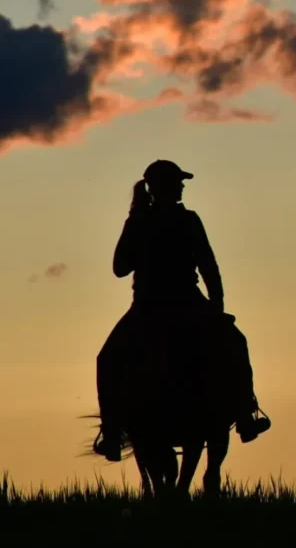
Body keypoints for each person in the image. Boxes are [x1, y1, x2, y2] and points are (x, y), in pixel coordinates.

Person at [93, 160, 270, 462]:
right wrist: (217, 310)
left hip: (155, 306)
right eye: (177, 182)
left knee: (108, 358)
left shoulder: (166, 220)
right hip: (172, 303)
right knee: (236, 343)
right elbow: (207, 268)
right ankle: (245, 415)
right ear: (163, 187)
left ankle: (111, 433)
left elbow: (121, 269)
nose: (182, 187)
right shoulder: (161, 220)